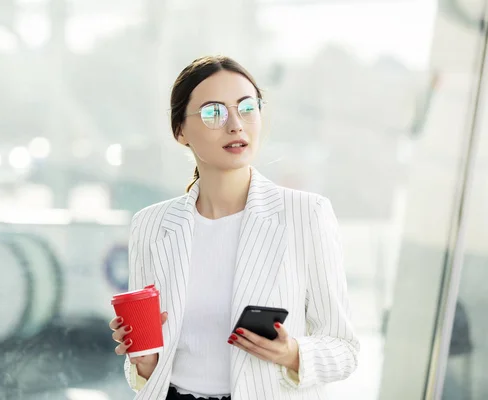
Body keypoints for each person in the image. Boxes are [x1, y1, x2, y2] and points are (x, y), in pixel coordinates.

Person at [109, 55, 359, 400]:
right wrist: (144, 360)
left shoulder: (306, 215)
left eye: (246, 107)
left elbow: (345, 348)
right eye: (214, 113)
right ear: (180, 130)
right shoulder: (152, 225)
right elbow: (148, 372)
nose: (235, 124)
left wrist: (292, 353)